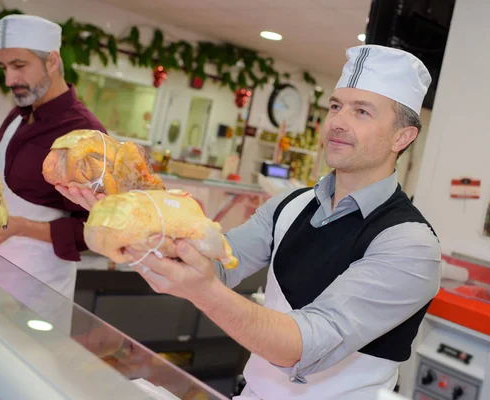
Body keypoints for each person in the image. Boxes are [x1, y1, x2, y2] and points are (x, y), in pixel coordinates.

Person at [61, 45, 442, 399]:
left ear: (402, 137)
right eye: (335, 107)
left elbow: (304, 345)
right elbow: (209, 262)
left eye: (362, 111)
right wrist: (130, 214)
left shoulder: (409, 243)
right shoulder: (289, 206)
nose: (338, 123)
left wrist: (206, 291)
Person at [0, 14, 107, 302]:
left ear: (52, 60)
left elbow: (97, 230)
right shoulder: (19, 115)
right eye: (4, 67)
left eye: (19, 66)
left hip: (39, 290)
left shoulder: (85, 133)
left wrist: (23, 227)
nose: (10, 79)